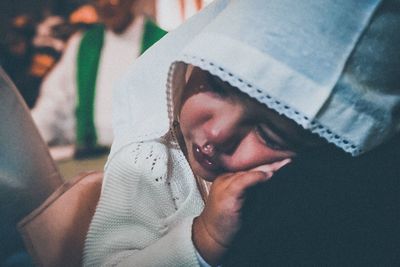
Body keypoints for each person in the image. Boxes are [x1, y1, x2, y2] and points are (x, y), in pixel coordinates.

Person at [83, 0, 400, 266]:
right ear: (190, 64)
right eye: (217, 86)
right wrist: (202, 239)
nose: (219, 132)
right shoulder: (146, 160)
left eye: (269, 134)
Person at [31, 0, 166, 158]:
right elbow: (52, 103)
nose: (105, 4)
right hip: (91, 157)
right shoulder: (83, 44)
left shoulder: (162, 42)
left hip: (147, 159)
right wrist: (26, 139)